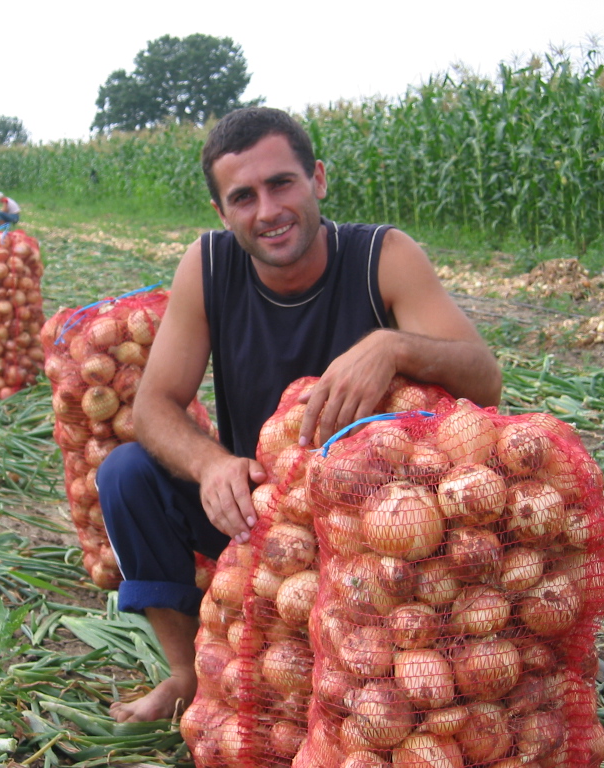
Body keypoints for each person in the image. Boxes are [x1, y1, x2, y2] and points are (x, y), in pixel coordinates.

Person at [96, 107, 503, 723]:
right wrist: (211, 466)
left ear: (317, 178)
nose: (268, 211)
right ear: (221, 212)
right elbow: (153, 406)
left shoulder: (382, 257)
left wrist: (393, 347)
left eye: (281, 183)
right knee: (125, 473)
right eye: (243, 197)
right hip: (263, 509)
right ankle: (184, 676)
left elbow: (485, 379)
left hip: (385, 527)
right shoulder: (208, 267)